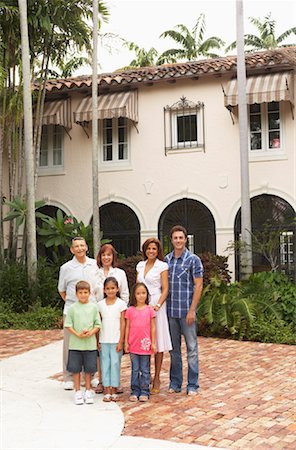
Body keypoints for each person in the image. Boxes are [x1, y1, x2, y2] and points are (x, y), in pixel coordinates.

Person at [165, 225, 203, 396]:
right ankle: (175, 383)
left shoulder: (193, 260)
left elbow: (199, 285)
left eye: (181, 237)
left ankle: (193, 385)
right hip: (171, 312)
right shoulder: (166, 261)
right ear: (171, 240)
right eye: (175, 238)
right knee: (174, 351)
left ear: (185, 239)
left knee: (192, 349)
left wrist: (192, 310)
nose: (178, 240)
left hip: (187, 312)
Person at [58, 236, 98, 390]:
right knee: (70, 344)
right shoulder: (66, 268)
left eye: (82, 245)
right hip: (71, 311)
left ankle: (92, 375)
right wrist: (73, 303)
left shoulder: (94, 265)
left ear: (86, 247)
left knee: (91, 344)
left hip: (91, 310)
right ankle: (68, 377)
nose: (80, 248)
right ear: (72, 249)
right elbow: (62, 290)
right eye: (76, 246)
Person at [136, 238, 172, 394]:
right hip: (142, 305)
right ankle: (146, 375)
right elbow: (137, 286)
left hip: (157, 305)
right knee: (144, 340)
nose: (151, 251)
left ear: (158, 251)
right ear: (145, 250)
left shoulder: (162, 266)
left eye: (154, 249)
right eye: (148, 248)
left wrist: (158, 305)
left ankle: (157, 377)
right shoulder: (140, 265)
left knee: (158, 341)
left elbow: (165, 289)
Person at [93, 243, 129, 393]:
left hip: (116, 313)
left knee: (115, 353)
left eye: (109, 255)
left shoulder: (119, 273)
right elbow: (90, 294)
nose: (106, 257)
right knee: (101, 351)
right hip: (99, 312)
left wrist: (120, 310)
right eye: (103, 255)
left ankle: (115, 382)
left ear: (113, 256)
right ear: (100, 257)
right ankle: (102, 381)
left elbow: (126, 293)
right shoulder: (94, 273)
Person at [64, 281, 101, 405]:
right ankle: (78, 391)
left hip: (90, 344)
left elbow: (97, 324)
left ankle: (88, 390)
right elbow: (68, 325)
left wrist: (91, 332)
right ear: (76, 294)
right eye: (80, 292)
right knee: (76, 369)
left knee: (89, 369)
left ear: (89, 293)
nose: (83, 295)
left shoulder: (93, 307)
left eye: (85, 292)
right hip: (75, 344)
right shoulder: (72, 308)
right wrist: (77, 334)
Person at [125, 283, 156, 402]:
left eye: (143, 293)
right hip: (133, 344)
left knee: (145, 369)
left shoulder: (150, 310)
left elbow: (153, 328)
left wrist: (153, 343)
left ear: (147, 294)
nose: (141, 296)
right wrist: (126, 343)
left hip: (145, 345)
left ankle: (144, 391)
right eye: (138, 293)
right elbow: (127, 327)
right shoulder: (130, 310)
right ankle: (134, 390)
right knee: (135, 369)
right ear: (134, 295)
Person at [97, 277, 127, 402]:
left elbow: (123, 323)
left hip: (116, 339)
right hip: (104, 340)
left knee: (115, 364)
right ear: (104, 290)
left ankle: (114, 389)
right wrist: (97, 340)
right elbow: (97, 324)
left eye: (113, 288)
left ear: (117, 289)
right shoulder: (100, 305)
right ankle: (107, 389)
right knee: (105, 364)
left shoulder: (121, 304)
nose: (110, 291)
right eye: (108, 289)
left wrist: (121, 340)